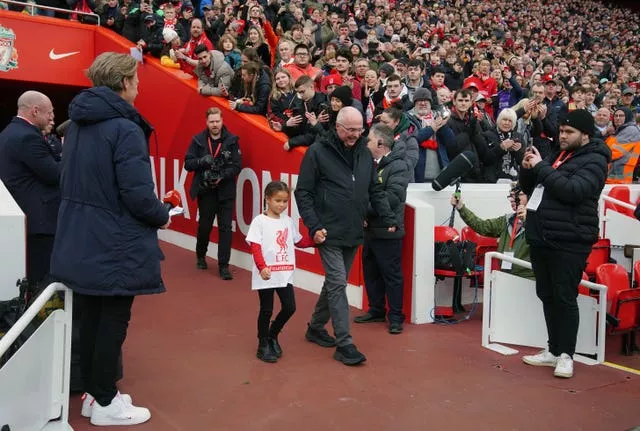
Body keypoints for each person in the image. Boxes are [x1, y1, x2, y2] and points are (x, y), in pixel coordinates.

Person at [50, 52, 170, 426]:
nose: (139, 85)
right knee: (111, 323)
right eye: (136, 78)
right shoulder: (124, 129)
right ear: (124, 84)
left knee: (90, 321)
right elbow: (136, 194)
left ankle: (96, 394)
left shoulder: (78, 125)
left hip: (81, 238)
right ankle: (104, 401)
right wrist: (161, 213)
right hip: (113, 243)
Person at [295, 106, 396, 366]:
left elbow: (375, 189)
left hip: (353, 230)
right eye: (349, 130)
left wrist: (387, 217)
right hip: (326, 230)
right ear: (337, 127)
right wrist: (314, 225)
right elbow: (303, 193)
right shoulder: (317, 152)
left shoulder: (364, 153)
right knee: (339, 282)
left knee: (333, 283)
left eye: (358, 130)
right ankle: (344, 343)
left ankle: (316, 327)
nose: (354, 134)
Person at [519, 110, 611, 379]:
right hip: (542, 236)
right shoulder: (557, 155)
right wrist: (528, 169)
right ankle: (552, 349)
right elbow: (534, 185)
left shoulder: (595, 159)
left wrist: (541, 168)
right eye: (561, 131)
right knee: (547, 295)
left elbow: (573, 191)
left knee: (565, 297)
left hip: (571, 239)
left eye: (569, 132)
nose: (563, 135)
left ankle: (567, 355)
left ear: (585, 134)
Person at [245, 181, 319, 363]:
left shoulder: (288, 221)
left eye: (285, 201)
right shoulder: (259, 221)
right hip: (267, 274)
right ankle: (263, 345)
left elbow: (298, 241)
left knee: (290, 307)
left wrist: (314, 239)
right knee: (266, 309)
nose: (282, 205)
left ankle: (272, 335)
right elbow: (255, 246)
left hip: (284, 273)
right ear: (267, 199)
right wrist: (262, 268)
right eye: (278, 200)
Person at [353, 124, 411, 334]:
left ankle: (395, 316)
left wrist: (365, 211)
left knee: (391, 274)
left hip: (388, 231)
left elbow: (392, 198)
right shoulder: (369, 164)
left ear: (380, 143)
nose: (365, 142)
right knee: (371, 272)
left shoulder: (398, 166)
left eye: (369, 139)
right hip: (370, 230)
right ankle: (376, 309)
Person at [0, 90, 58, 285]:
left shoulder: (8, 132)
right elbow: (55, 175)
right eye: (50, 112)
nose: (52, 117)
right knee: (41, 283)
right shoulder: (27, 137)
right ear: (35, 111)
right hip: (39, 223)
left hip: (26, 220)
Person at [184, 107, 242, 280]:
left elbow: (237, 165)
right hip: (206, 190)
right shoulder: (198, 140)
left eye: (217, 121)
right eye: (212, 122)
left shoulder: (232, 140)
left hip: (225, 190)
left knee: (225, 228)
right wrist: (202, 161)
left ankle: (223, 265)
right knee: (205, 226)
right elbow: (188, 163)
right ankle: (201, 255)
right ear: (206, 122)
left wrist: (222, 176)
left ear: (222, 120)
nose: (215, 124)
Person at [450, 182, 534, 280]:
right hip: (505, 276)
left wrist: (528, 221)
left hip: (529, 279)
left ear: (530, 196)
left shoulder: (540, 221)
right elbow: (481, 226)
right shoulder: (506, 220)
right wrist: (461, 207)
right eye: (511, 195)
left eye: (518, 195)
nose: (512, 199)